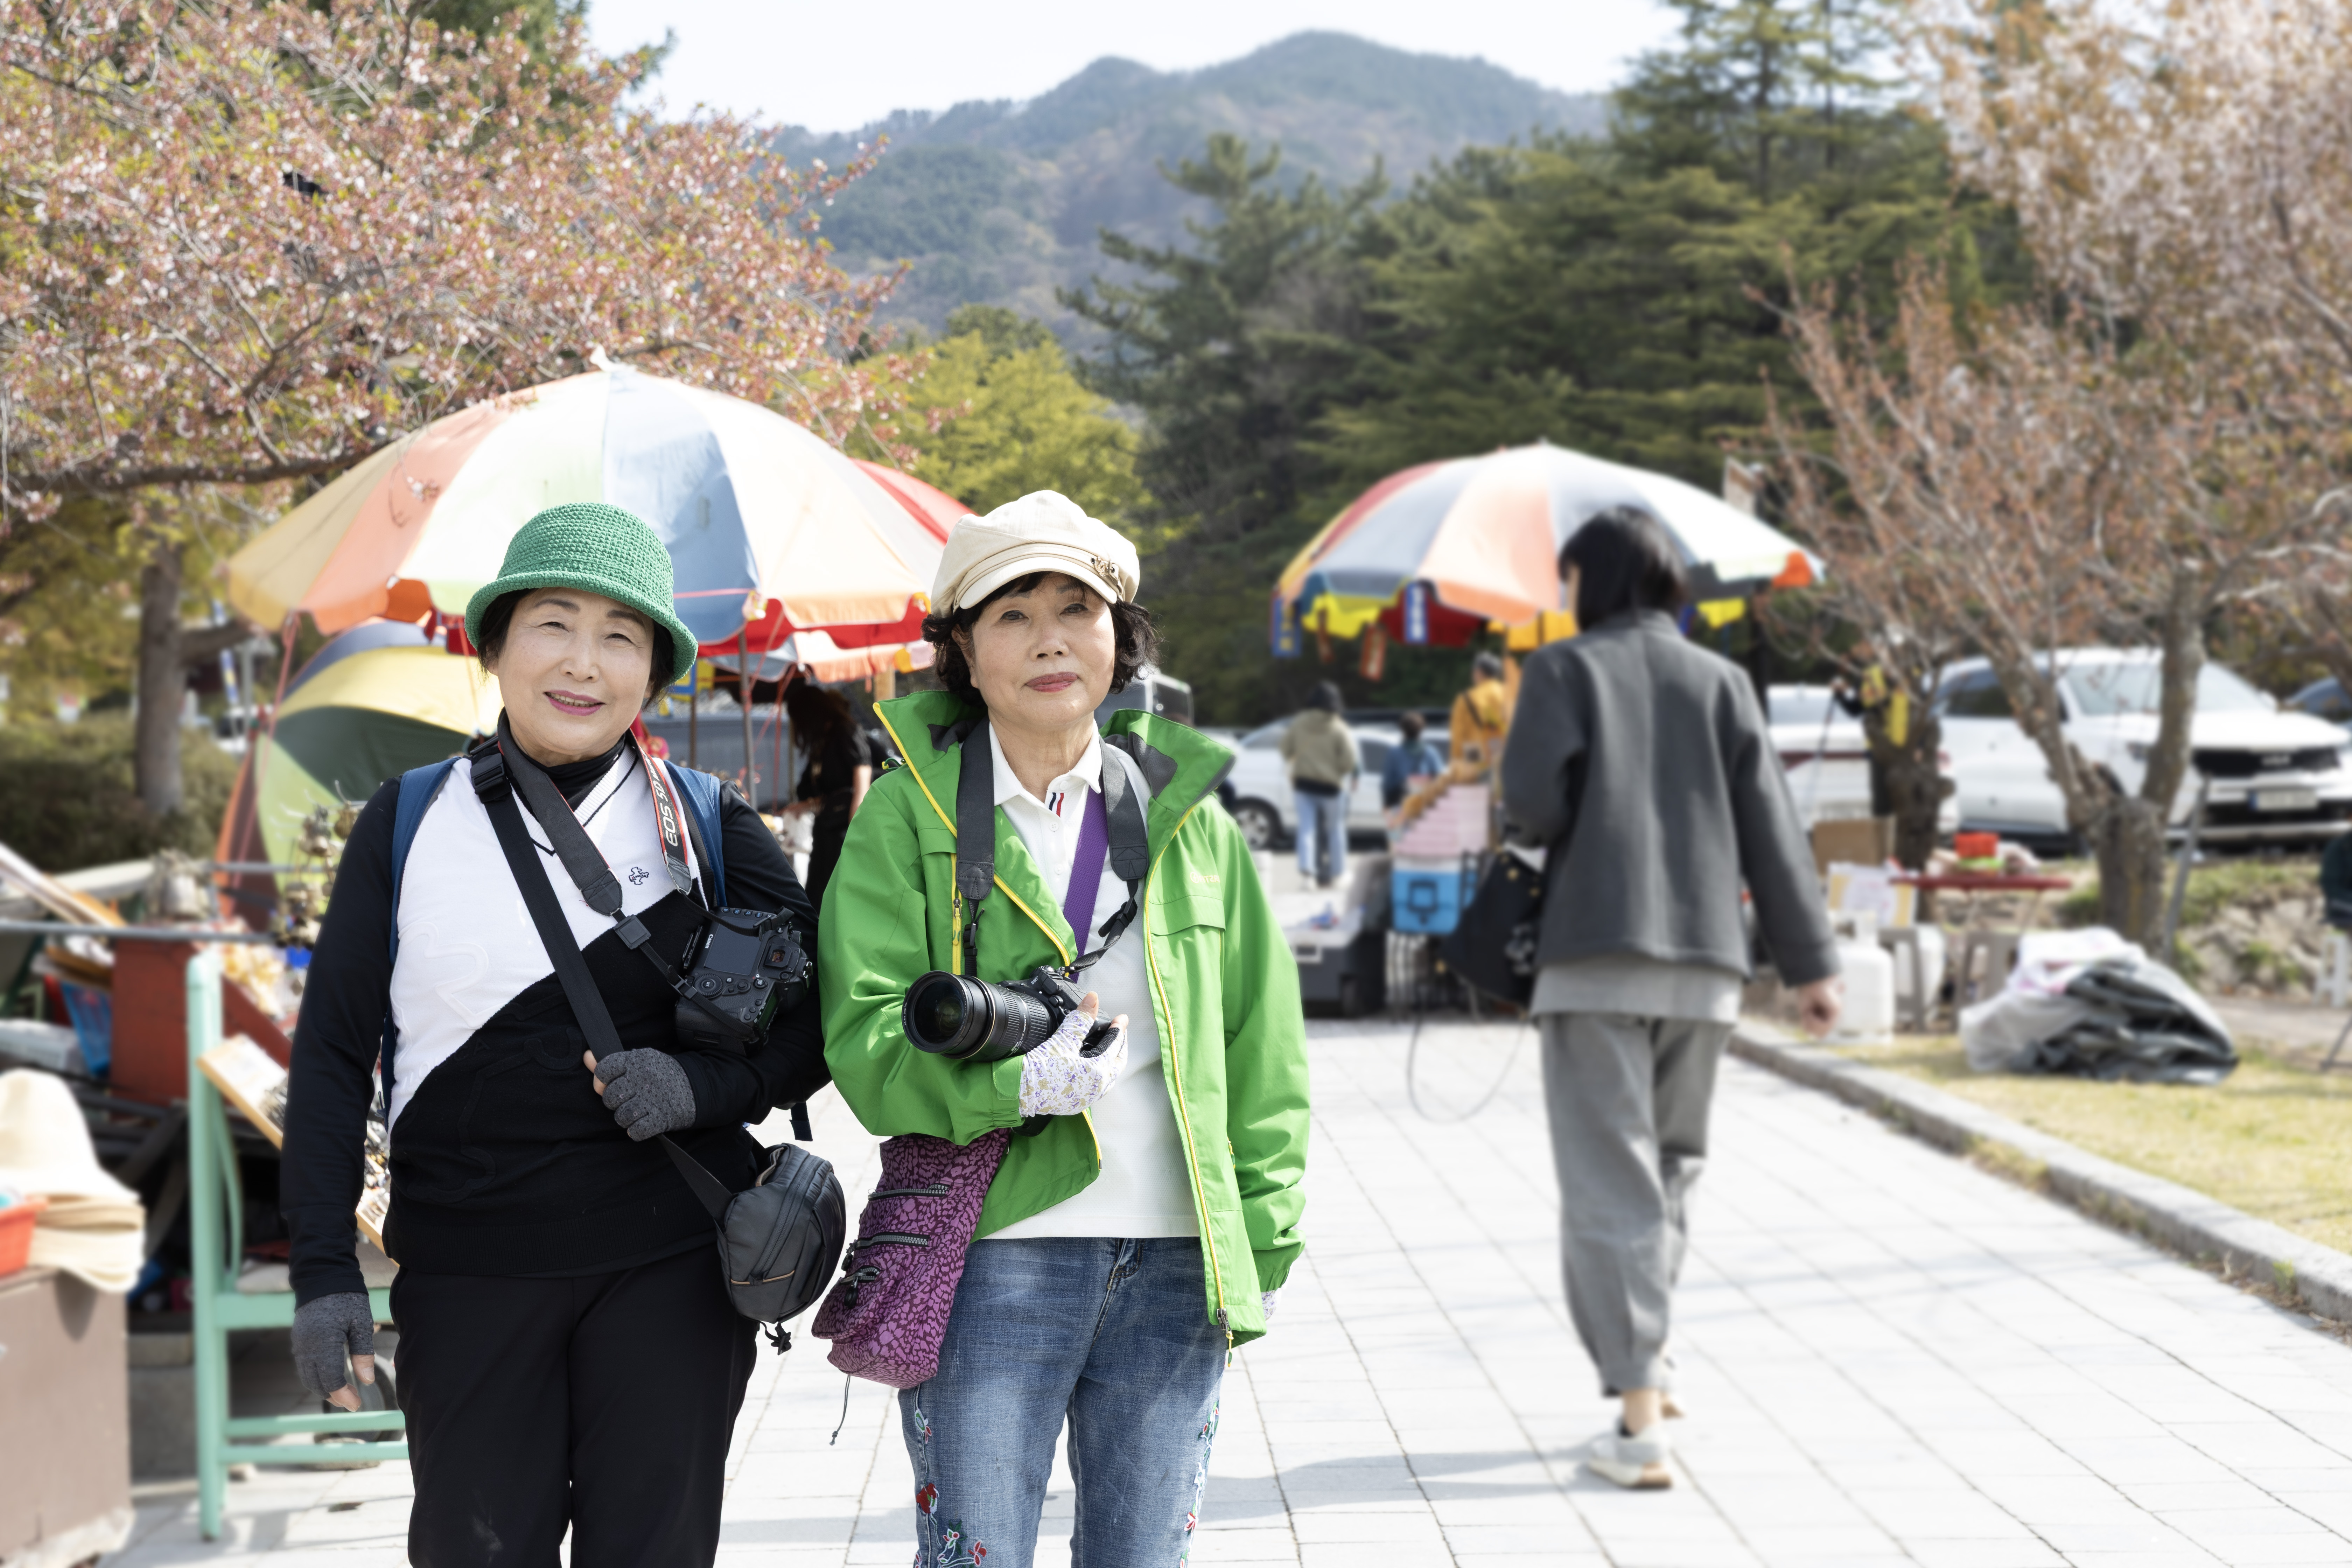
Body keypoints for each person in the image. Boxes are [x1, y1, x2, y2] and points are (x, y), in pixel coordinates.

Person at [279, 503, 830, 1566]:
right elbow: (334, 1053)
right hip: (467, 1274)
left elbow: (817, 1030)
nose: (584, 662)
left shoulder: (706, 822)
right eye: (553, 624)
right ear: (494, 646)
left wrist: (700, 1089)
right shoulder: (405, 820)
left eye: (621, 636)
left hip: (671, 1267)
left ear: (652, 673)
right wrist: (321, 1269)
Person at [821, 491, 1308, 1566]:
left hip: (1178, 1256)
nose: (1050, 639)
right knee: (977, 1555)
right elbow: (862, 1038)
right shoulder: (907, 817)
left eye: (1076, 609)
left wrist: (1264, 1232)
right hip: (992, 1254)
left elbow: (1263, 1046)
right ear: (963, 648)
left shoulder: (1190, 820)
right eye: (1013, 614)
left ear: (1118, 636)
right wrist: (1012, 1086)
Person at [1500, 505, 1841, 1493]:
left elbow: (1534, 807)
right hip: (1707, 967)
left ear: (1593, 580)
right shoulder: (1723, 681)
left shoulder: (1561, 670)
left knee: (1612, 1181)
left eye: (1569, 578)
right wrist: (1812, 966)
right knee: (1672, 1169)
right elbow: (1772, 828)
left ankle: (1640, 1417)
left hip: (1594, 958)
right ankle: (1652, 1362)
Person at [780, 678, 876, 911]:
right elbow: (826, 790)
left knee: (837, 895)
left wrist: (857, 829)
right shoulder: (823, 740)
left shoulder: (845, 730)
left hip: (845, 830)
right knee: (819, 894)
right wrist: (805, 805)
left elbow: (862, 777)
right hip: (827, 829)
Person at [1281, 681, 1357, 887]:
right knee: (1336, 831)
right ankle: (1338, 874)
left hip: (1304, 785)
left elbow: (1286, 749)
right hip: (1331, 787)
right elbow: (1350, 760)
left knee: (1307, 830)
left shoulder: (1299, 723)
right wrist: (1337, 771)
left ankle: (1308, 877)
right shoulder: (1339, 727)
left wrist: (1299, 762)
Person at [1380, 710, 1446, 813]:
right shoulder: (1431, 752)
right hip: (1425, 803)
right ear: (1422, 730)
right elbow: (1441, 778)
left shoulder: (1394, 753)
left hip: (1402, 802)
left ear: (1402, 730)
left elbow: (1388, 782)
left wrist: (1386, 803)